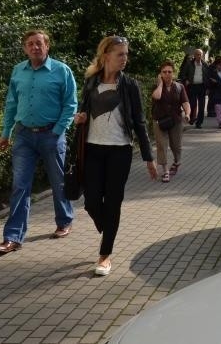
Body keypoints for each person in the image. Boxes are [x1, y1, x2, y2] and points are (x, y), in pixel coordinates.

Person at [74, 36, 158, 276]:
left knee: (112, 202)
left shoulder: (130, 85)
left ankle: (104, 255)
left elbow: (140, 123)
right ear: (106, 56)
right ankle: (108, 226)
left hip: (119, 151)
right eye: (120, 54)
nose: (125, 59)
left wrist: (148, 157)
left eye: (126, 54)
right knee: (91, 202)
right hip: (92, 149)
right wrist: (79, 118)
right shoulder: (91, 82)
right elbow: (83, 111)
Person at [0, 30, 78, 255]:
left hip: (51, 134)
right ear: (25, 48)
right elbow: (11, 104)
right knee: (20, 186)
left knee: (58, 181)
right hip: (23, 136)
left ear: (47, 46)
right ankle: (12, 237)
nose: (34, 47)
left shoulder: (61, 71)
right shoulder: (17, 71)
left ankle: (64, 220)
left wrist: (58, 131)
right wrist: (5, 133)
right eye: (30, 44)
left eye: (39, 43)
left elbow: (71, 104)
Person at [152, 60, 190, 183]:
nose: (167, 74)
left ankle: (177, 162)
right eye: (164, 72)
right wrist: (161, 84)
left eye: (169, 72)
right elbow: (157, 97)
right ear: (160, 74)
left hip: (175, 120)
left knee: (176, 146)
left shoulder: (179, 87)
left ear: (173, 73)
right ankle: (165, 171)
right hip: (160, 120)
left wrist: (188, 113)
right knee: (162, 146)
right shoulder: (157, 86)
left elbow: (185, 102)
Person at [178, 48, 210, 128]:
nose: (199, 56)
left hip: (202, 86)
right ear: (195, 55)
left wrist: (208, 87)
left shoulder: (205, 65)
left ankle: (199, 123)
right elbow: (182, 74)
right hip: (192, 86)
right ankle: (192, 118)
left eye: (200, 55)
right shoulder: (189, 64)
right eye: (197, 54)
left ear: (202, 55)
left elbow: (208, 76)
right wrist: (186, 80)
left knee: (202, 105)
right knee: (192, 103)